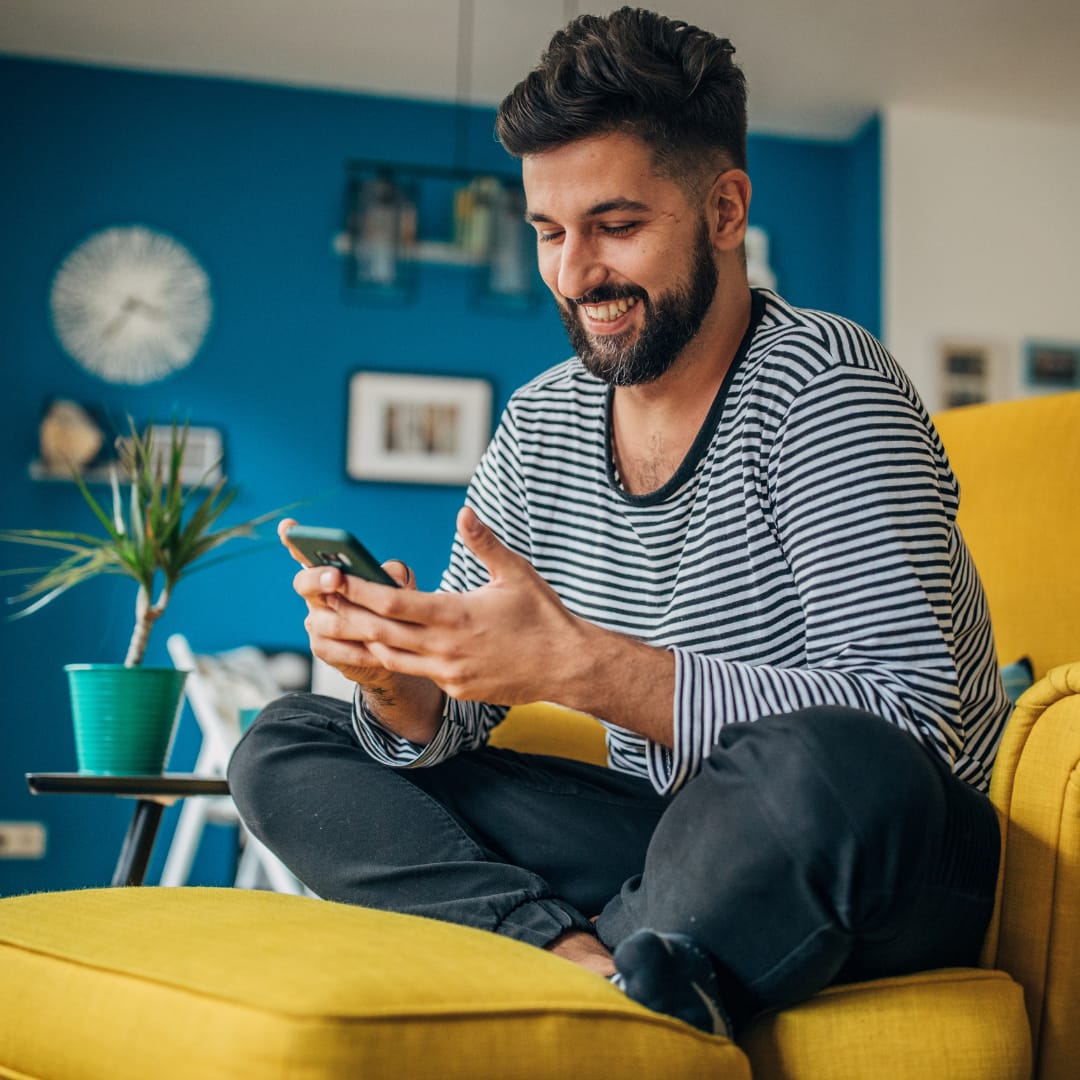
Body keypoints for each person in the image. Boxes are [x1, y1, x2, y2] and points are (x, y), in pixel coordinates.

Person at [229, 7, 1008, 1036]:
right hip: (675, 836)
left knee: (825, 763)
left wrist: (583, 669)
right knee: (287, 744)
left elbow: (911, 726)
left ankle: (626, 952)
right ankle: (585, 963)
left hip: (883, 842)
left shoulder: (829, 386)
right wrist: (403, 680)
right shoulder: (544, 420)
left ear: (725, 209)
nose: (573, 272)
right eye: (549, 232)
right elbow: (460, 713)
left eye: (617, 226)